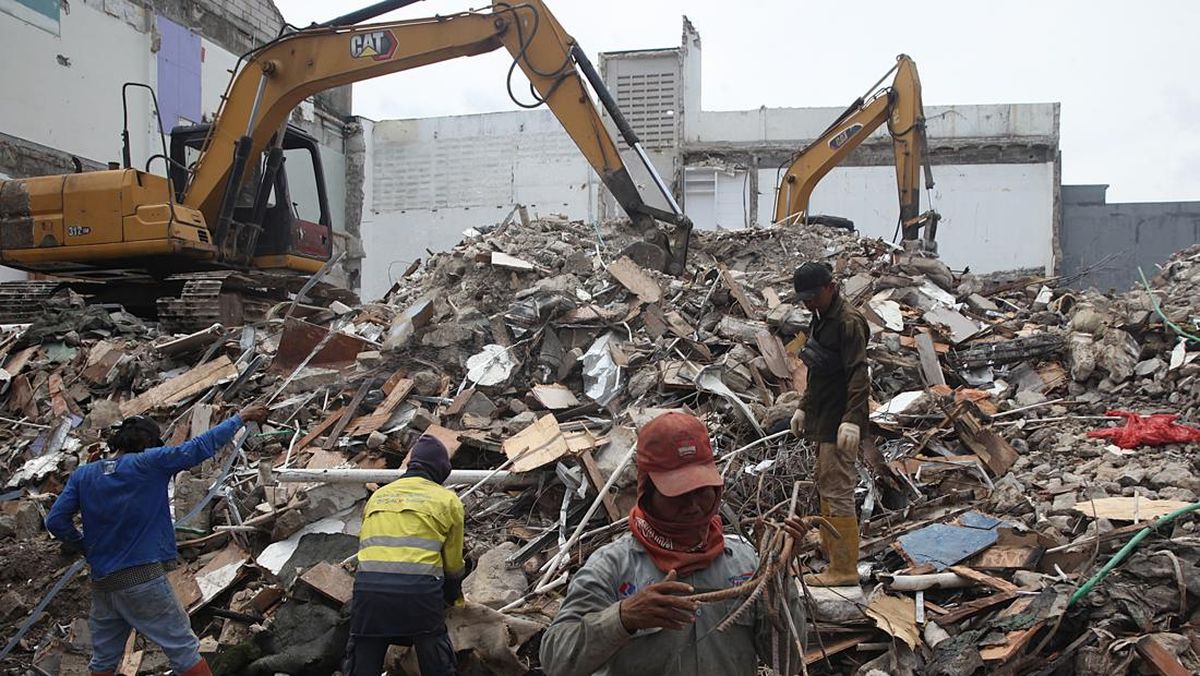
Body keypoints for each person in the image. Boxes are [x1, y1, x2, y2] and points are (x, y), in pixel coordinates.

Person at [540, 412, 805, 676]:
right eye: (678, 493)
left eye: (701, 490)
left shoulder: (746, 563)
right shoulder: (611, 568)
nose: (692, 506)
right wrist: (623, 618)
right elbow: (555, 662)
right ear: (647, 492)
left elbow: (789, 663)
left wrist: (779, 577)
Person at [45, 403, 269, 676]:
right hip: (143, 579)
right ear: (148, 442)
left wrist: (85, 547)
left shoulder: (84, 475)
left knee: (103, 661)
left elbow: (55, 521)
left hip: (104, 584)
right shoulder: (149, 463)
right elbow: (197, 447)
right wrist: (240, 418)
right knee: (184, 650)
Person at [343, 435, 466, 676]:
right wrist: (454, 600)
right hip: (419, 595)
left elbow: (367, 550)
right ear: (440, 470)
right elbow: (452, 566)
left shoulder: (378, 496)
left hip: (369, 593)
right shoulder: (448, 501)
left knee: (363, 660)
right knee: (435, 657)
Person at [788, 261, 869, 587]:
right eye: (803, 298)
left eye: (812, 296)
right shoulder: (821, 318)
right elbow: (819, 374)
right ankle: (833, 557)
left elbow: (859, 374)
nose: (808, 302)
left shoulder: (849, 322)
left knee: (838, 491)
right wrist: (804, 407)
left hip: (839, 420)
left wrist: (852, 420)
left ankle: (844, 569)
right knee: (827, 485)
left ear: (830, 287)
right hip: (824, 418)